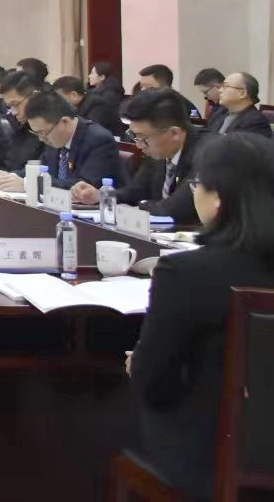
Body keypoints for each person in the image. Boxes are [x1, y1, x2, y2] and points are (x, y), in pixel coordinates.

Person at [128, 131, 274, 499]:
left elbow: (154, 384)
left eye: (197, 184)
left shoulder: (186, 273)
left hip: (213, 461)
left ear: (219, 195)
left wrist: (138, 365)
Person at [75, 88, 201, 221]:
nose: (139, 145)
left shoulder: (206, 155)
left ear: (174, 133)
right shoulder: (158, 150)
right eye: (134, 136)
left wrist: (143, 205)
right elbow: (136, 191)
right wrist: (100, 196)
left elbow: (175, 209)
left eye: (143, 138)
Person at [0, 91, 125, 191]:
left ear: (64, 122)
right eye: (37, 133)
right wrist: (13, 177)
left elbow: (85, 185)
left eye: (43, 133)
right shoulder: (55, 137)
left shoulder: (98, 140)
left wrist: (29, 184)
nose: (41, 138)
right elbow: (43, 169)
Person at [0, 69, 49, 174]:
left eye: (15, 104)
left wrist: (16, 177)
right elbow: (9, 164)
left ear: (34, 96)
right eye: (9, 106)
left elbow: (46, 168)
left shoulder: (53, 126)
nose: (13, 112)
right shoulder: (19, 127)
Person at [56, 74, 124, 136]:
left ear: (74, 95)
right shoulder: (77, 106)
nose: (57, 101)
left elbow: (90, 135)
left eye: (59, 97)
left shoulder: (98, 107)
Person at [209, 72, 272, 138]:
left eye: (225, 86)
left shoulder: (256, 123)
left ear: (242, 93)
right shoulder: (220, 112)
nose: (220, 90)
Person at [138, 64, 203, 122]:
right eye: (141, 87)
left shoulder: (183, 107)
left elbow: (197, 128)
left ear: (166, 87)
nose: (143, 91)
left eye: (149, 88)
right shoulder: (145, 104)